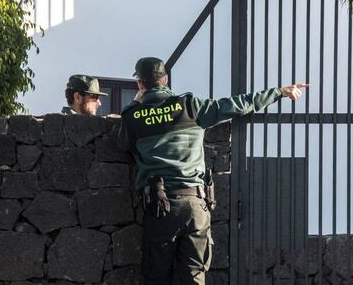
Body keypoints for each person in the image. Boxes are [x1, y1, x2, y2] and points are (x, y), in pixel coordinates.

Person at [117, 57, 309, 285]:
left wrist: (136, 104)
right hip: (195, 203)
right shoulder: (190, 106)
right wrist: (279, 92)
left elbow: (123, 145)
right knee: (194, 276)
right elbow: (236, 105)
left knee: (157, 276)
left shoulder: (132, 117)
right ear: (165, 79)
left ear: (140, 84)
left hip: (160, 207)